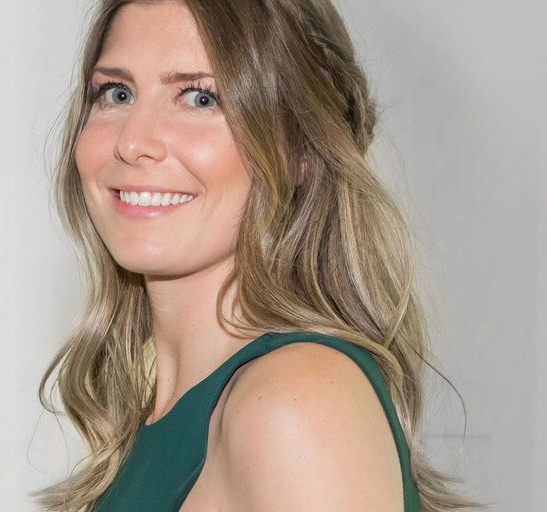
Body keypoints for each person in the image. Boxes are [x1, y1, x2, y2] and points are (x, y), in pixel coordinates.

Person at [32, 1, 487, 511]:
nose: (133, 142)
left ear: (301, 149)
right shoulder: (169, 417)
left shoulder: (294, 401)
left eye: (200, 98)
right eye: (117, 93)